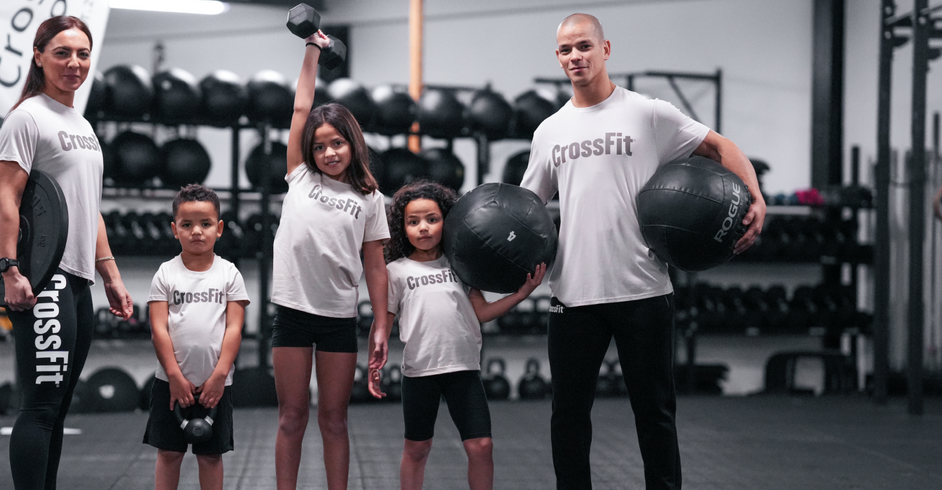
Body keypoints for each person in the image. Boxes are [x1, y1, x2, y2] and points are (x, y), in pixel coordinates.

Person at [518, 13, 765, 490]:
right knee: (568, 417)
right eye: (567, 50)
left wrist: (755, 196)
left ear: (605, 50)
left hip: (643, 289)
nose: (576, 57)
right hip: (573, 294)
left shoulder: (649, 113)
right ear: (558, 57)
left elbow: (719, 147)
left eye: (585, 46)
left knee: (655, 416)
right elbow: (527, 209)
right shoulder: (549, 131)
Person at [0, 15, 134, 490]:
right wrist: (11, 269)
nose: (74, 63)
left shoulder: (81, 124)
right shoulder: (27, 118)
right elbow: (7, 199)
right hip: (43, 279)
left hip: (78, 280)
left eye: (82, 54)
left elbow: (86, 207)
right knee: (40, 406)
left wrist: (110, 275)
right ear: (38, 56)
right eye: (62, 53)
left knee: (58, 406)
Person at [271, 29, 391, 490]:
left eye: (336, 143)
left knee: (335, 420)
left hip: (339, 317)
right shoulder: (299, 177)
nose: (328, 153)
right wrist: (312, 49)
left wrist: (381, 324)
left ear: (351, 142)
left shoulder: (368, 198)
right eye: (319, 146)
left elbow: (376, 265)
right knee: (291, 417)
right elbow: (302, 107)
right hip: (294, 313)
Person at [373, 181, 545, 490]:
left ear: (447, 222)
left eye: (431, 219)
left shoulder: (462, 265)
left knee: (481, 447)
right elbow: (383, 321)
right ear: (403, 228)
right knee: (417, 449)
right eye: (413, 222)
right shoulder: (395, 271)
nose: (423, 228)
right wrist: (377, 351)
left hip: (464, 370)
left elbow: (479, 313)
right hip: (420, 372)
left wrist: (522, 294)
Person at [144, 184, 249, 490]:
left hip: (215, 386)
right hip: (170, 383)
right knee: (169, 453)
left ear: (219, 229)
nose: (197, 232)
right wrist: (174, 376)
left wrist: (220, 375)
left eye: (205, 224)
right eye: (187, 225)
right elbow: (158, 329)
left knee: (211, 457)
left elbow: (234, 329)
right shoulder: (165, 274)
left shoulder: (230, 274)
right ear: (175, 230)